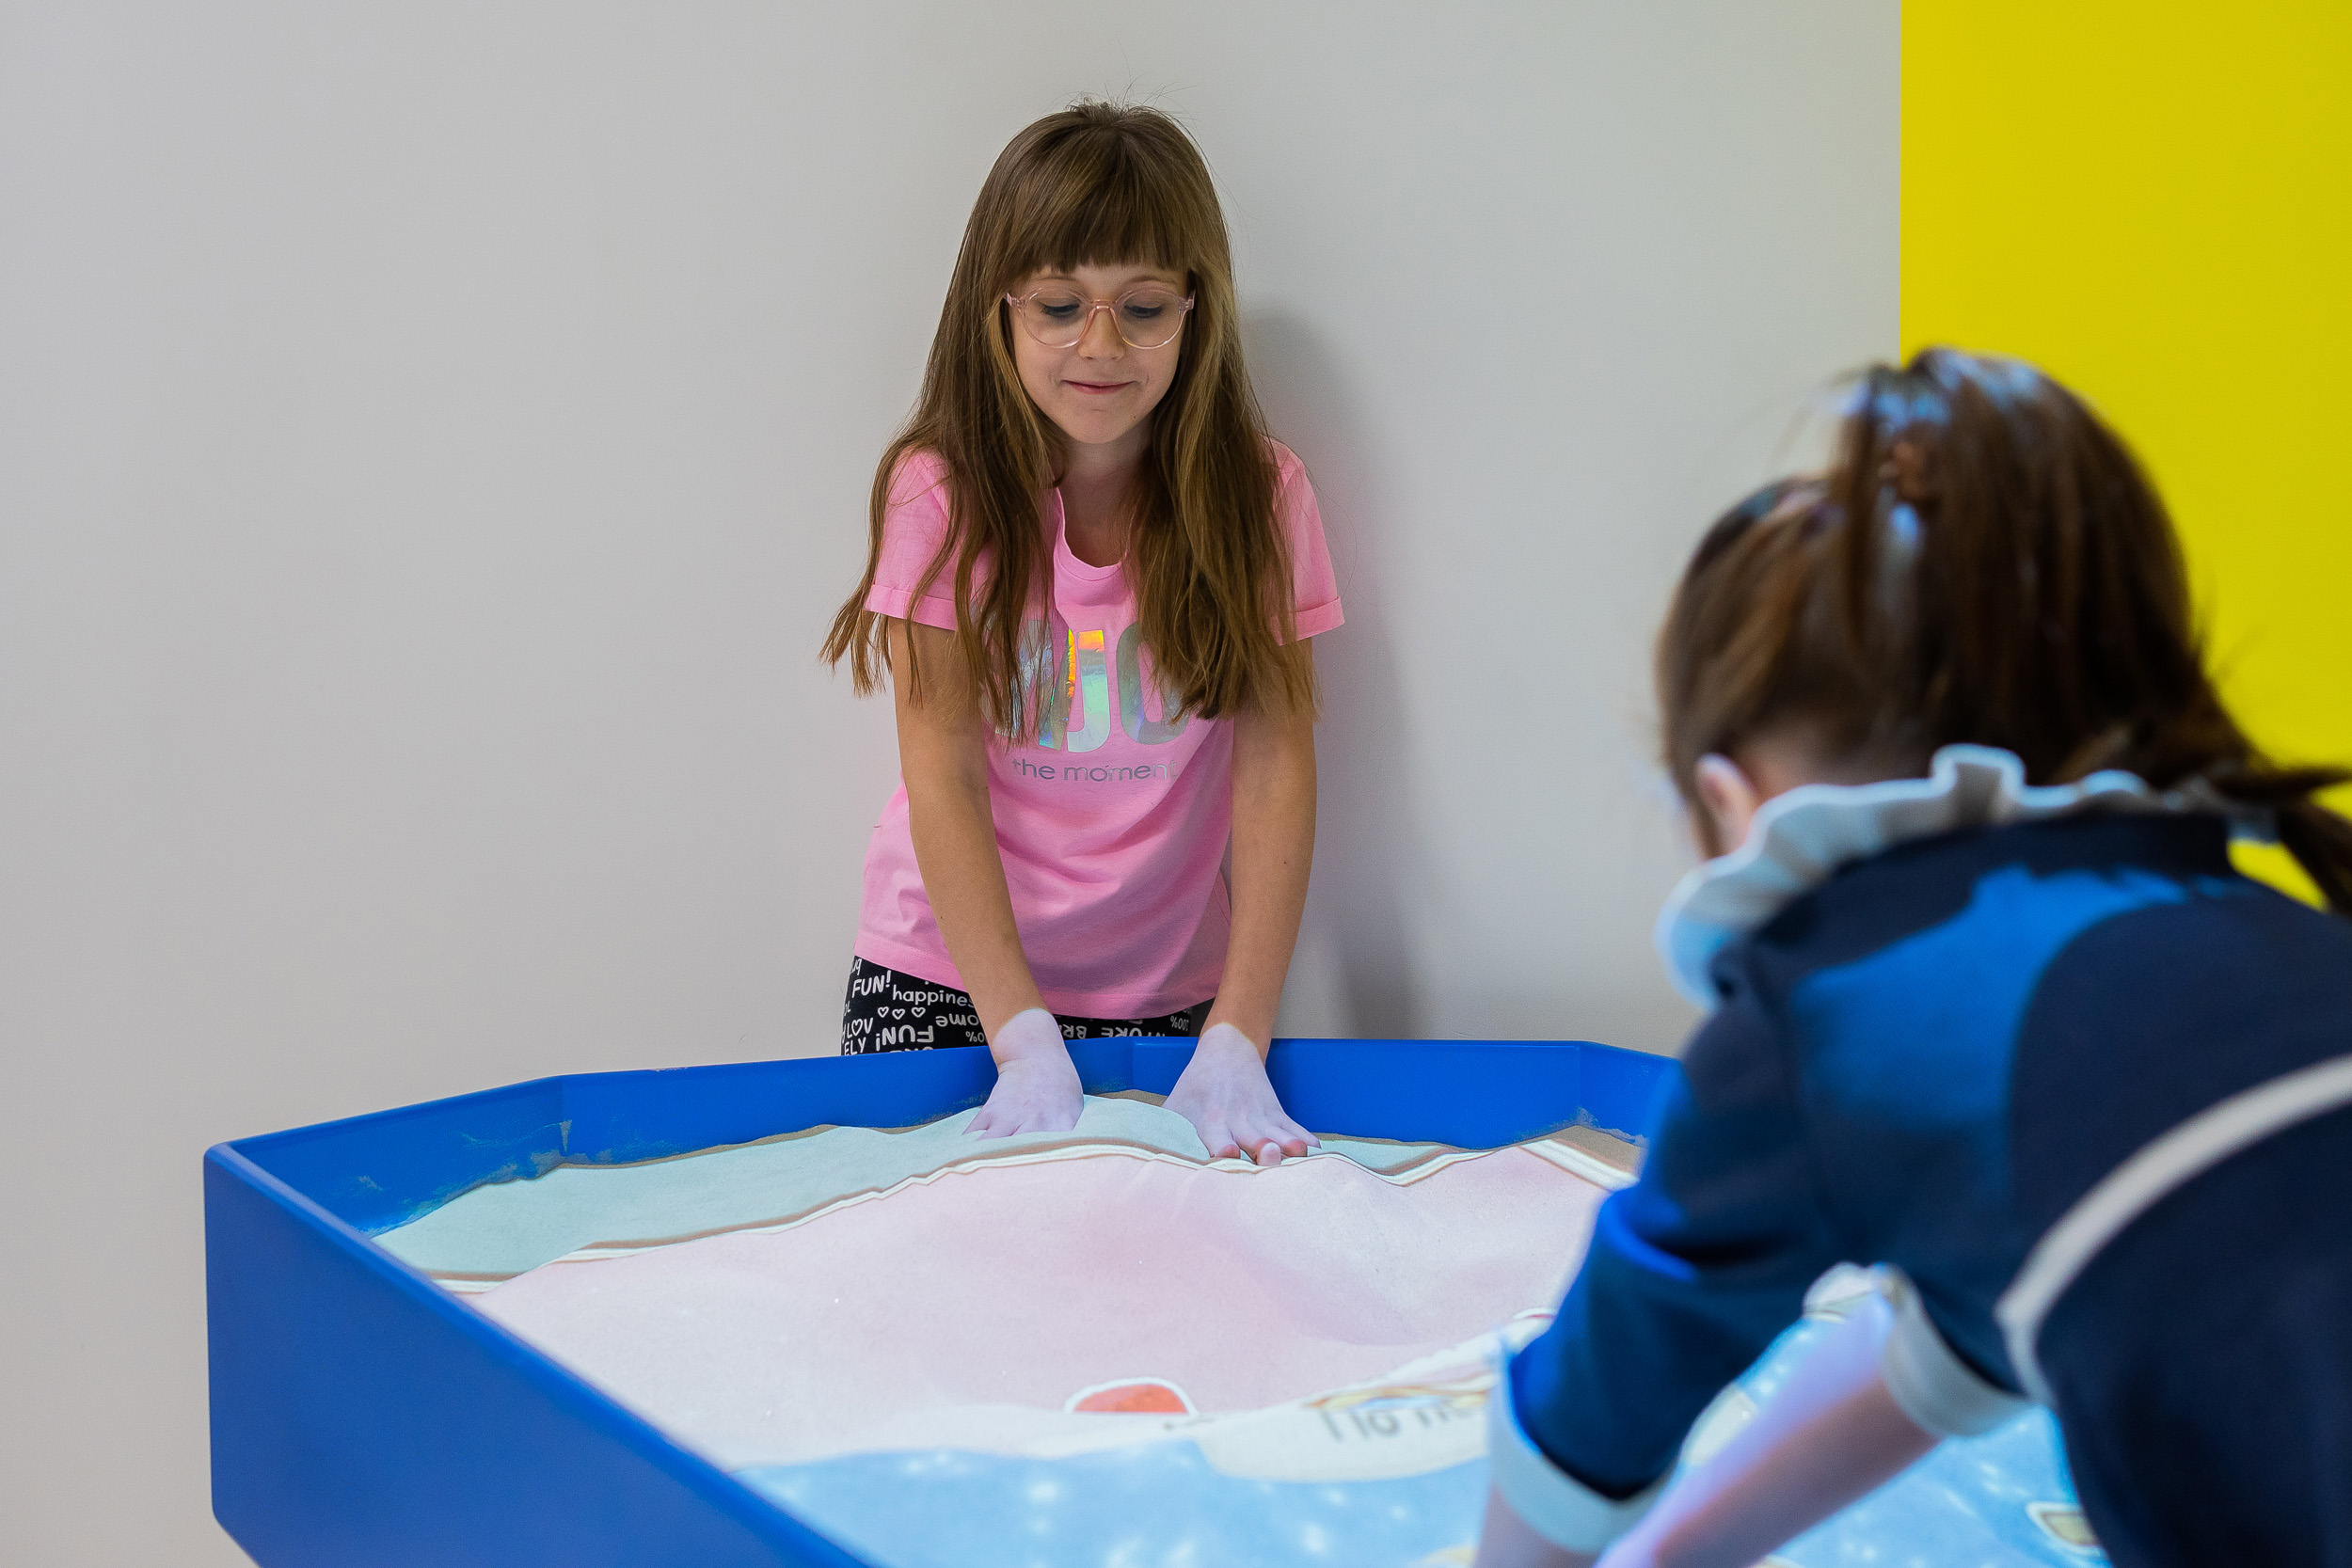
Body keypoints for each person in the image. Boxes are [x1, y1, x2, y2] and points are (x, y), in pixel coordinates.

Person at [1475, 348, 2352, 1568]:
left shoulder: (1829, 997)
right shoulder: (2229, 921)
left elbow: (1597, 1404)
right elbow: (1952, 1345)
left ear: (1731, 802)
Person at [820, 103, 1341, 1165]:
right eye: (1060, 306)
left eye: (1142, 307)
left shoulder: (1260, 495)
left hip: (1175, 995)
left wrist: (1240, 1031)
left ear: (1194, 309)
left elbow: (1275, 766)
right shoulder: (939, 492)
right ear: (999, 308)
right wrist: (1019, 1037)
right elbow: (942, 772)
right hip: (946, 983)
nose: (1100, 345)